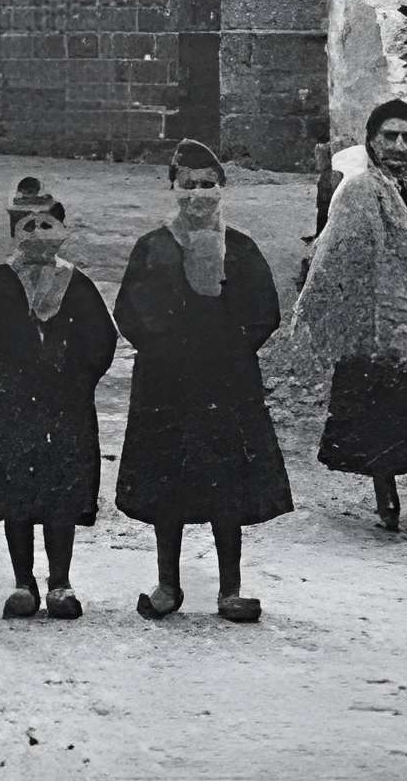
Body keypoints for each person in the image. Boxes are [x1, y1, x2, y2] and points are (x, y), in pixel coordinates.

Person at [284, 96, 407, 535]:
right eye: (388, 136)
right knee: (382, 410)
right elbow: (337, 257)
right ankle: (386, 498)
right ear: (371, 140)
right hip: (375, 318)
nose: (397, 145)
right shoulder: (356, 191)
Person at [113, 138, 292, 623]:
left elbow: (264, 313)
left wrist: (228, 348)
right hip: (166, 384)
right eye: (188, 185)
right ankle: (168, 583)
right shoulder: (152, 247)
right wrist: (167, 344)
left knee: (226, 483)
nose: (198, 194)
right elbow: (128, 310)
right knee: (168, 479)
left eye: (207, 185)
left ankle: (229, 587)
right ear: (173, 189)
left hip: (225, 383)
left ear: (222, 189)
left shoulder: (242, 248)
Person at [0, 173, 117, 621]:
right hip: (11, 404)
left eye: (48, 226)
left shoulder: (77, 285)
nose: (39, 236)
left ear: (61, 231)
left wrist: (75, 376)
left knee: (60, 494)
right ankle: (23, 582)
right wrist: (9, 372)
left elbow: (101, 340)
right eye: (29, 227)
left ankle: (60, 582)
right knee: (16, 494)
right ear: (16, 233)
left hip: (63, 405)